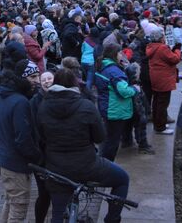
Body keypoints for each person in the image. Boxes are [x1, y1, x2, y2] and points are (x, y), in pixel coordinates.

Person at [36, 68, 130, 223]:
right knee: (122, 179)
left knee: (58, 212)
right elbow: (100, 137)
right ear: (74, 84)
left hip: (56, 170)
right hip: (87, 167)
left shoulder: (43, 107)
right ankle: (112, 219)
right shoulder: (86, 106)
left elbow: (41, 137)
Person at [0, 59, 41, 222]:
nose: (37, 81)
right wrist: (37, 157)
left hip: (7, 160)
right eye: (33, 77)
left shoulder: (5, 95)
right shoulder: (20, 102)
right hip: (17, 164)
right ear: (23, 78)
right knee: (18, 209)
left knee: (11, 203)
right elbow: (23, 138)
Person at [95, 43, 138, 161]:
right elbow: (124, 91)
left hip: (106, 106)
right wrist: (135, 89)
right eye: (120, 52)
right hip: (115, 110)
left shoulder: (102, 65)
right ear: (114, 54)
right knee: (112, 142)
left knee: (108, 138)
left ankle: (102, 162)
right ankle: (106, 166)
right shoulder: (114, 71)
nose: (122, 55)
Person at [146, 28, 182, 135]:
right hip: (164, 78)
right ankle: (160, 127)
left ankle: (158, 123)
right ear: (160, 38)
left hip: (155, 77)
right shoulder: (162, 48)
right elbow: (174, 59)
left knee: (157, 101)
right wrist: (177, 50)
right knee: (163, 103)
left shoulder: (151, 47)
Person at [30, 71, 54, 223]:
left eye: (49, 78)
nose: (46, 82)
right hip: (42, 157)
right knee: (44, 194)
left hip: (57, 155)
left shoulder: (59, 98)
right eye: (44, 79)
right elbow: (34, 130)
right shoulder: (34, 101)